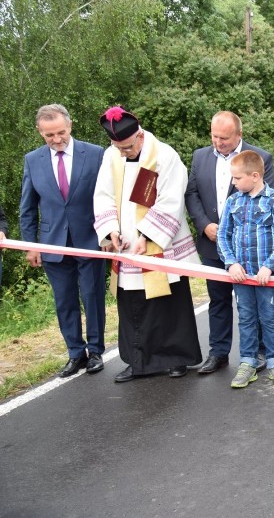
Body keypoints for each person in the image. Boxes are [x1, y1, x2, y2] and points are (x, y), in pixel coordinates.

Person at [93, 105, 202, 382]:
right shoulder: (111, 156)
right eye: (118, 148)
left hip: (159, 244)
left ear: (139, 136)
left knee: (168, 302)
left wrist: (148, 236)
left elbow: (172, 200)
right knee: (132, 305)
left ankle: (176, 358)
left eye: (127, 148)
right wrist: (109, 231)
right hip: (126, 245)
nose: (123, 153)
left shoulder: (165, 156)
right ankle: (138, 361)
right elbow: (103, 194)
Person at [185, 111, 274, 375]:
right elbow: (192, 194)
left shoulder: (259, 158)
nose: (218, 142)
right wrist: (204, 225)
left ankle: (258, 352)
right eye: (214, 136)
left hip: (248, 246)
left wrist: (229, 230)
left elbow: (262, 201)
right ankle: (218, 353)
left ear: (239, 135)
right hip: (211, 242)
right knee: (218, 300)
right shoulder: (200, 156)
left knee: (252, 302)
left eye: (224, 138)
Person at [20, 104, 106, 378]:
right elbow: (28, 207)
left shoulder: (95, 154)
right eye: (49, 136)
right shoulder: (32, 160)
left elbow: (107, 198)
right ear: (40, 132)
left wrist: (108, 233)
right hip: (51, 243)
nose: (56, 140)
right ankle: (74, 353)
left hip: (91, 239)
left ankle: (95, 352)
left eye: (60, 133)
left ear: (70, 126)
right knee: (64, 301)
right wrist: (30, 244)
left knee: (92, 297)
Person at [218, 151, 274, 388]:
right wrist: (231, 262)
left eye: (237, 178)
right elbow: (223, 234)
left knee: (270, 318)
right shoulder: (233, 201)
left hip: (266, 276)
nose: (233, 182)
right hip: (241, 276)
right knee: (247, 318)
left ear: (255, 176)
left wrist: (270, 266)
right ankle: (247, 362)